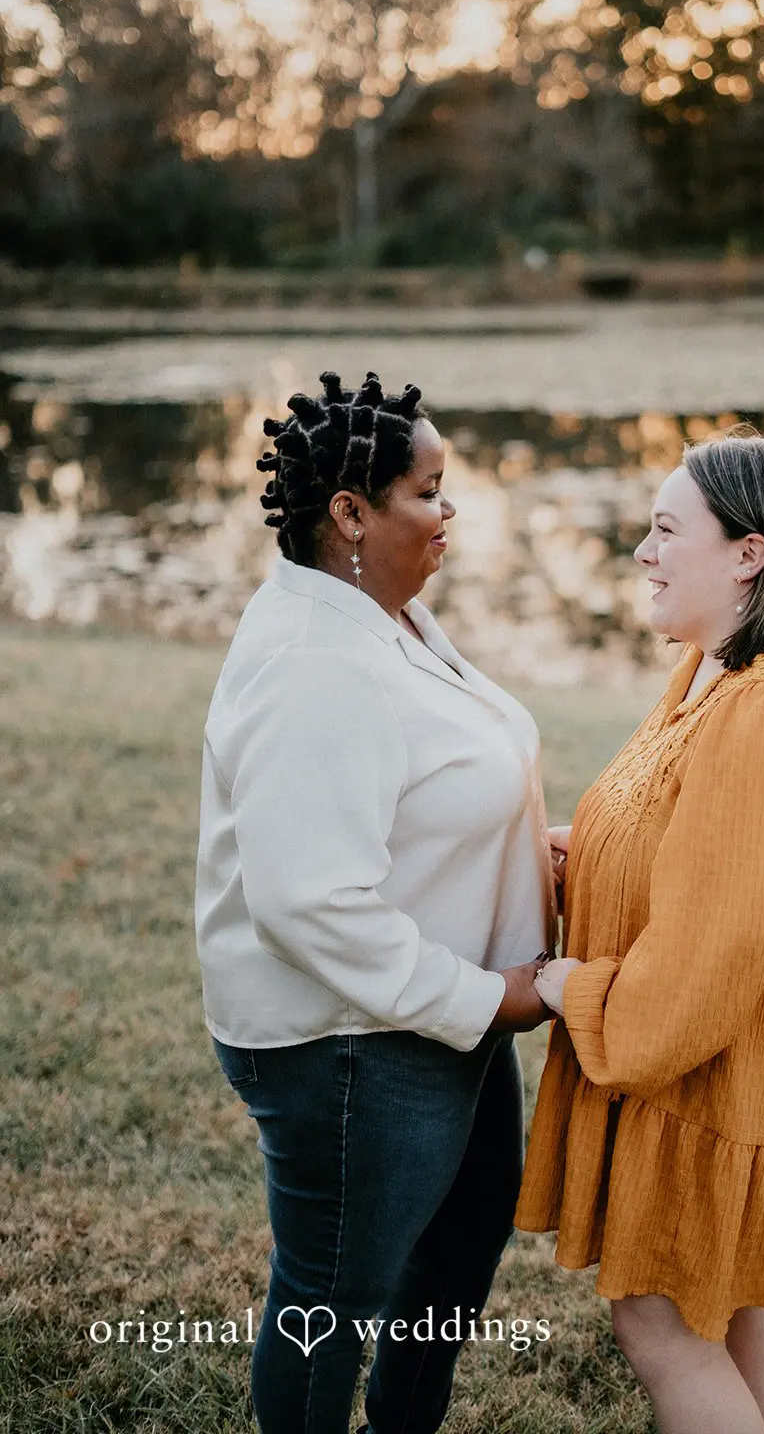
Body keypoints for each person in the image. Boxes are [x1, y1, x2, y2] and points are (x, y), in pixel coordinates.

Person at [194, 371, 554, 1434]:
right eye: (429, 492)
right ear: (350, 511)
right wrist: (493, 996)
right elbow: (307, 901)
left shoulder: (380, 616)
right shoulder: (318, 660)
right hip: (354, 1041)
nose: (450, 514)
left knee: (455, 1250)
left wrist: (532, 850)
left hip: (436, 1019)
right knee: (329, 1301)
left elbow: (426, 787)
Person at [516, 430, 764, 1434]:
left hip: (730, 1073)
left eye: (665, 529)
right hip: (747, 1065)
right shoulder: (714, 673)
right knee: (745, 1305)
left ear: (747, 553)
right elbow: (685, 842)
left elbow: (714, 947)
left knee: (665, 1319)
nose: (642, 550)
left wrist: (566, 986)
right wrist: (573, 855)